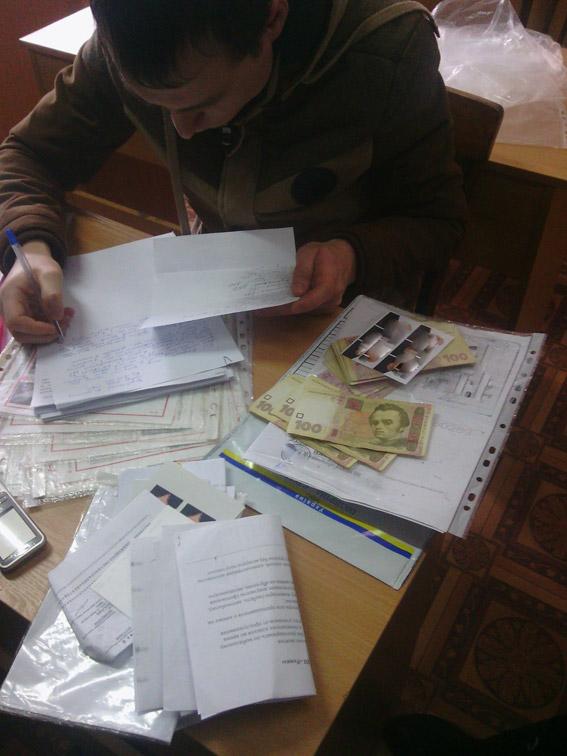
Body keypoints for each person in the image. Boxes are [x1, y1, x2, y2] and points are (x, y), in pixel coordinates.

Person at [0, 0, 466, 345]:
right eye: (155, 106)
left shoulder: (387, 53)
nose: (181, 131)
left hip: (348, 307)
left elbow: (436, 220)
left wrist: (351, 255)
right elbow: (26, 154)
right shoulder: (129, 36)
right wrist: (33, 250)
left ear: (272, 18)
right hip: (221, 295)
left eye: (202, 104)